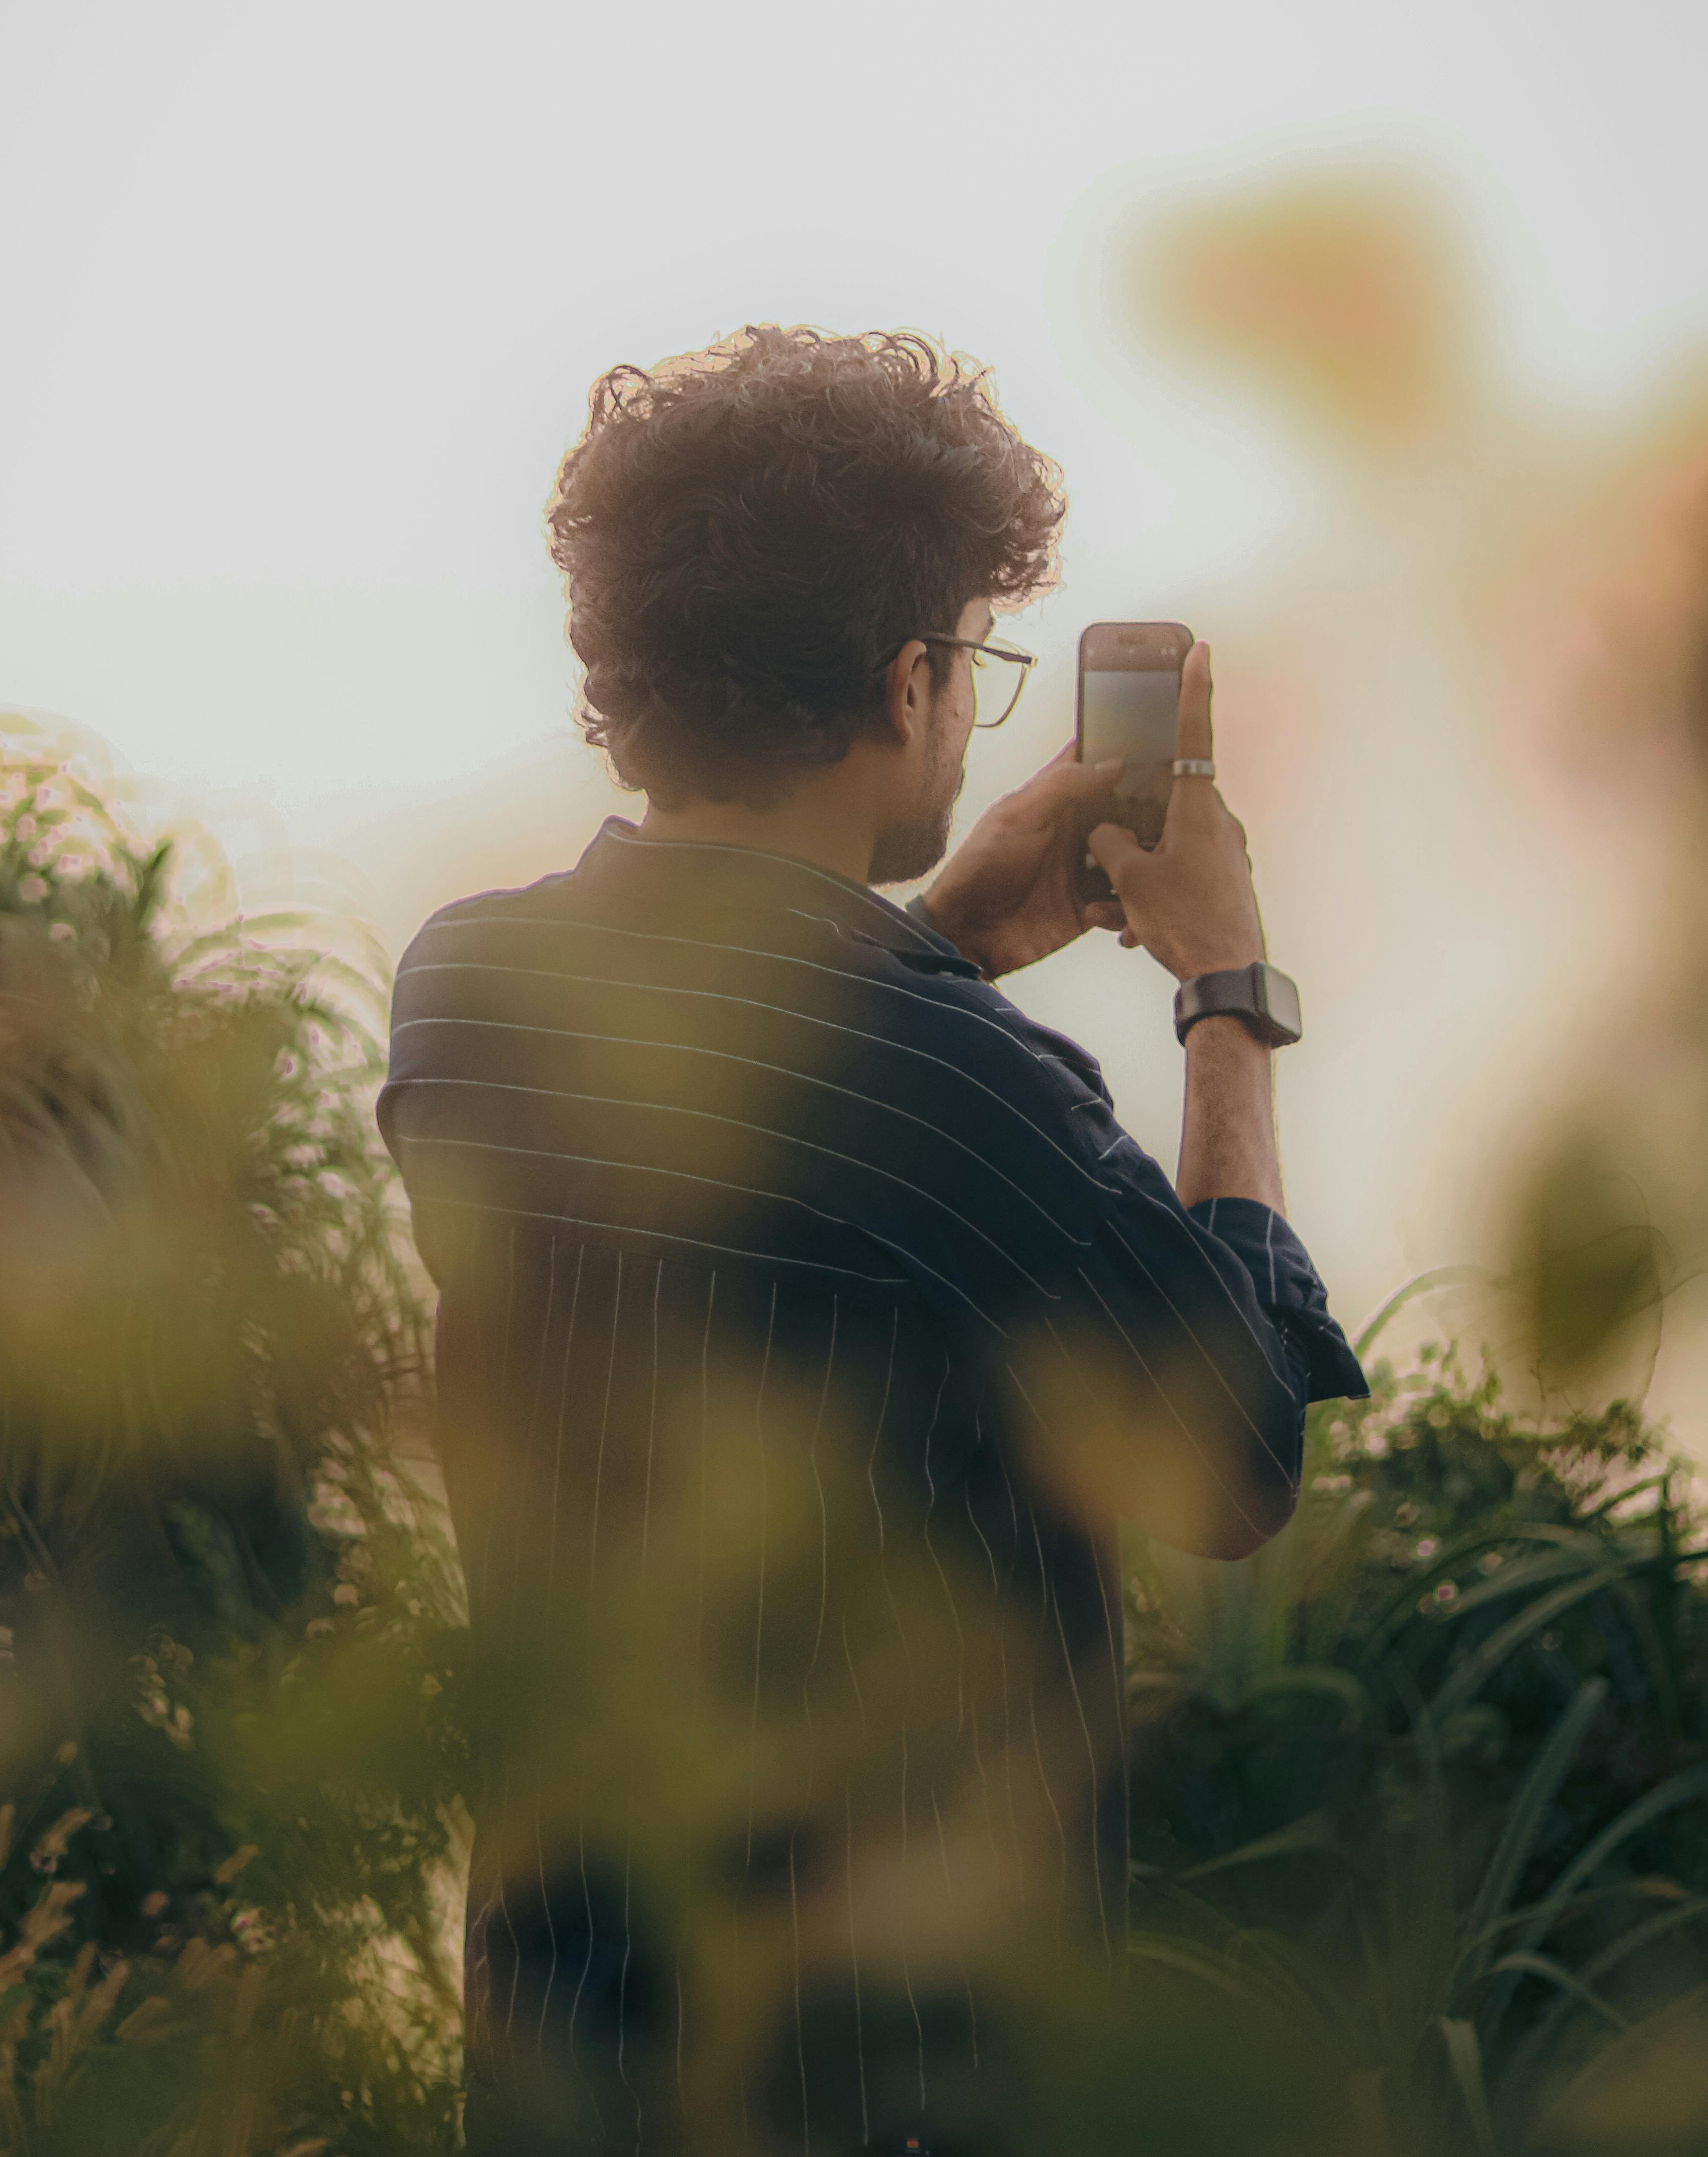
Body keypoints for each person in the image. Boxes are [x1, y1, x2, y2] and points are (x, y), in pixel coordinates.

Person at [377, 325, 1366, 2156]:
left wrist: (947, 943)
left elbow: (781, 1143)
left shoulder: (463, 990)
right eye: (976, 660)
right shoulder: (958, 1082)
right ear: (911, 682)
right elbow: (1232, 1461)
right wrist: (1229, 989)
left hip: (561, 2056)